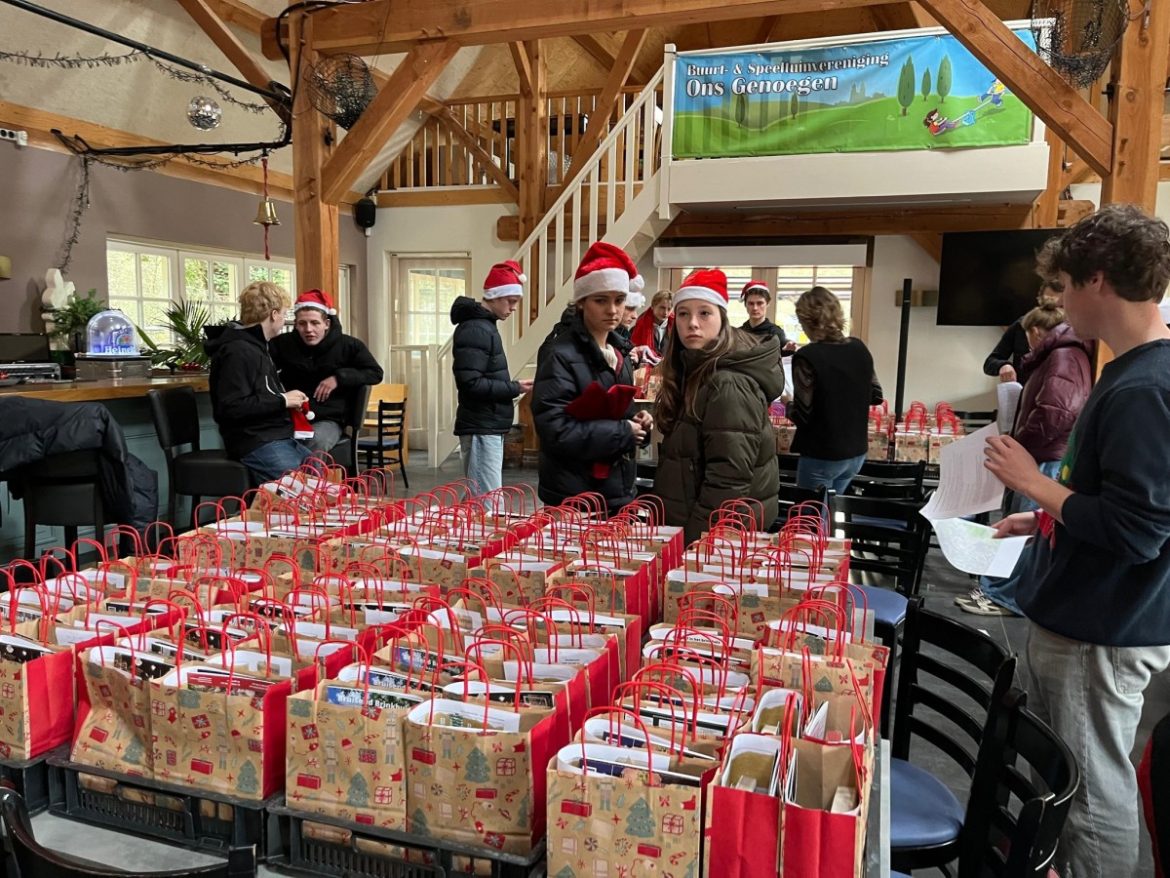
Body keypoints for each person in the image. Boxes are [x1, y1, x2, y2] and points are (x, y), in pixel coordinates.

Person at [984, 204, 1170, 878]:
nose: (1059, 303)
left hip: (1106, 624)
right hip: (1093, 613)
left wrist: (1033, 484)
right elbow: (1123, 498)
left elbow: (1138, 532)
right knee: (1070, 776)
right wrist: (1043, 518)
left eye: (1064, 286)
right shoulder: (1132, 370)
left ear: (1098, 280)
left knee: (1090, 792)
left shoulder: (1147, 385)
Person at [960, 299, 1093, 617]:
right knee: (1019, 525)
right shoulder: (1066, 355)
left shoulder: (1062, 357)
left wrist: (1018, 447)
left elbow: (1054, 412)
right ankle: (997, 590)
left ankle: (1004, 597)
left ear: (1035, 331)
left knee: (1024, 535)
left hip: (1041, 456)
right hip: (1039, 453)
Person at [654, 269, 783, 543]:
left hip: (713, 533)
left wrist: (694, 541)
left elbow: (728, 480)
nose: (692, 323)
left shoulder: (728, 382)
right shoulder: (695, 368)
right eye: (684, 314)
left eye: (704, 313)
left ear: (722, 319)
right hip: (698, 522)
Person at [532, 242, 651, 514]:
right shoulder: (559, 354)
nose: (613, 310)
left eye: (619, 300)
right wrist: (623, 432)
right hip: (575, 494)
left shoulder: (620, 351)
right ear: (582, 302)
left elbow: (618, 413)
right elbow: (555, 431)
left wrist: (638, 425)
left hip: (615, 489)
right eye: (601, 300)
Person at [204, 281, 311, 483]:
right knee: (303, 490)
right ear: (274, 314)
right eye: (284, 313)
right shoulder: (238, 351)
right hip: (254, 441)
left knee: (320, 474)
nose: (284, 320)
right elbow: (231, 407)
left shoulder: (258, 347)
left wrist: (285, 400)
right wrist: (282, 401)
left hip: (276, 437)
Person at [789, 286, 883, 493]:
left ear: (806, 320)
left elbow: (803, 415)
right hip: (856, 453)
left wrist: (787, 404)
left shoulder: (807, 356)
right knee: (829, 512)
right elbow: (876, 396)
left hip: (822, 453)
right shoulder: (859, 348)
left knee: (809, 519)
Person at [450, 260, 533, 495]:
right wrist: (513, 387)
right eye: (511, 301)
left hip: (485, 425)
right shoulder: (477, 329)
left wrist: (514, 387)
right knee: (485, 504)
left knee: (480, 500)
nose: (513, 308)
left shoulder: (484, 327)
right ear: (495, 297)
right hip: (481, 426)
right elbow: (471, 384)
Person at [270, 289, 383, 454]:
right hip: (287, 416)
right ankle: (284, 479)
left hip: (329, 419)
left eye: (315, 323)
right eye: (302, 323)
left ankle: (308, 480)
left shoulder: (349, 346)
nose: (308, 329)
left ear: (327, 324)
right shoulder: (281, 344)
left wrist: (339, 377)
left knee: (315, 440)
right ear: (296, 324)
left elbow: (375, 373)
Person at [983, 242, 1064, 382]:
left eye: (1057, 306)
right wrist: (1004, 366)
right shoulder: (1021, 325)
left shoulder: (1073, 333)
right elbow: (991, 361)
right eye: (1046, 304)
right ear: (1039, 301)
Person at [740, 280, 789, 350]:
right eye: (751, 303)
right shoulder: (738, 333)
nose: (755, 308)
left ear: (767, 304)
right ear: (745, 304)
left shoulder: (776, 333)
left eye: (760, 303)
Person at [630, 289, 672, 358]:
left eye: (669, 309)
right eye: (662, 308)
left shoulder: (676, 329)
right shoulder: (637, 329)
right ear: (653, 306)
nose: (665, 312)